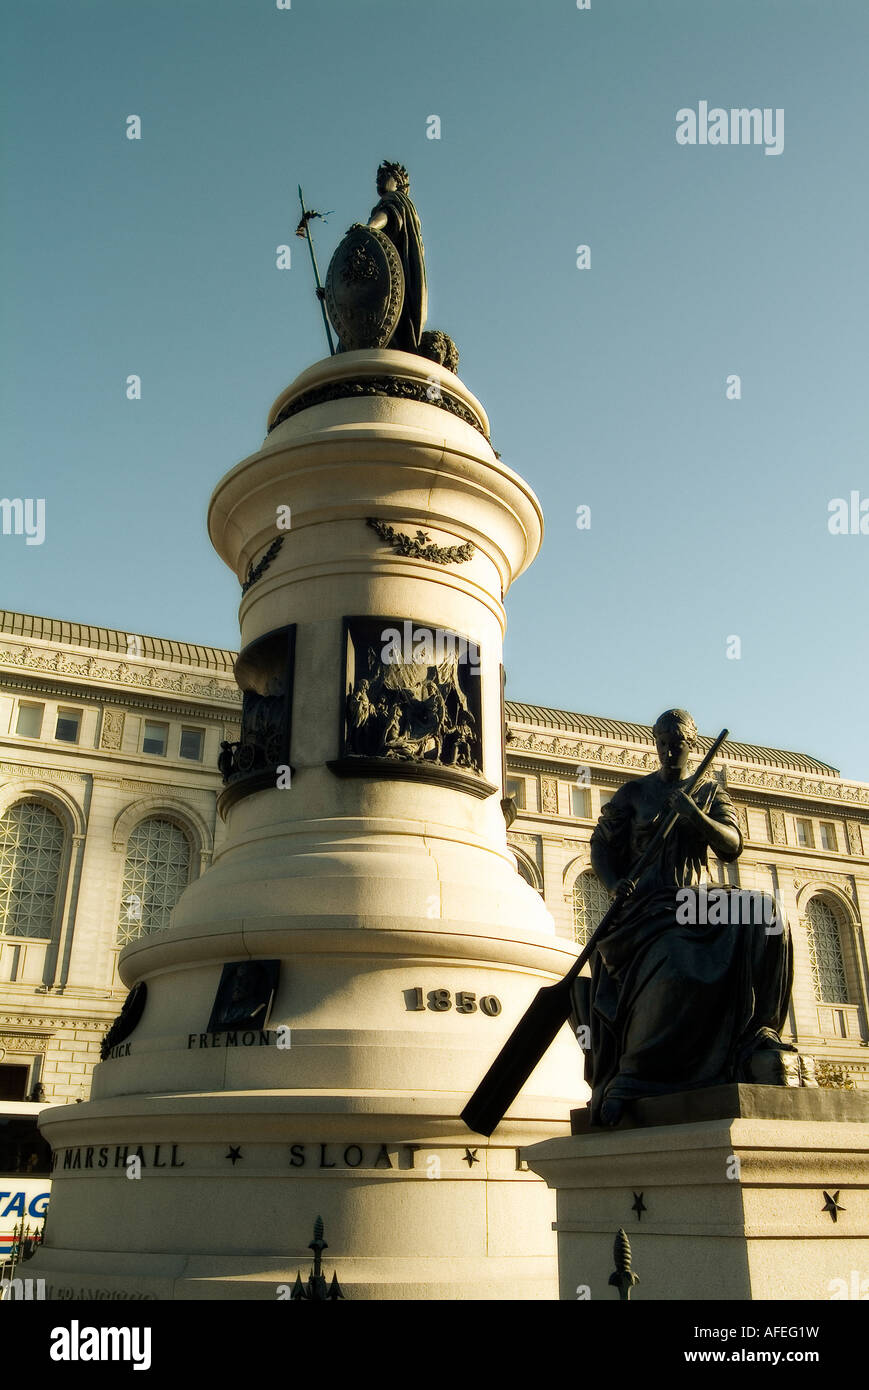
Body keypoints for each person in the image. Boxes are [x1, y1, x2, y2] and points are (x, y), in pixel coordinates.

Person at [572, 709, 794, 1126]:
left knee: (768, 913)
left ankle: (763, 1031)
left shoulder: (709, 791)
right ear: (655, 743)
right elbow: (601, 845)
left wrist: (694, 814)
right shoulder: (633, 794)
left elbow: (732, 846)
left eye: (678, 743)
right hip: (649, 906)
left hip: (700, 899)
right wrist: (614, 881)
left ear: (692, 745)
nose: (670, 750)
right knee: (674, 957)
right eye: (663, 742)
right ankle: (637, 1073)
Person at [366, 161, 427, 352]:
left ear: (398, 181)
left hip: (395, 271)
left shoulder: (396, 199)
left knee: (393, 315)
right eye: (377, 180)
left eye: (384, 178)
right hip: (389, 272)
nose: (379, 183)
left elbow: (389, 216)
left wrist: (369, 228)